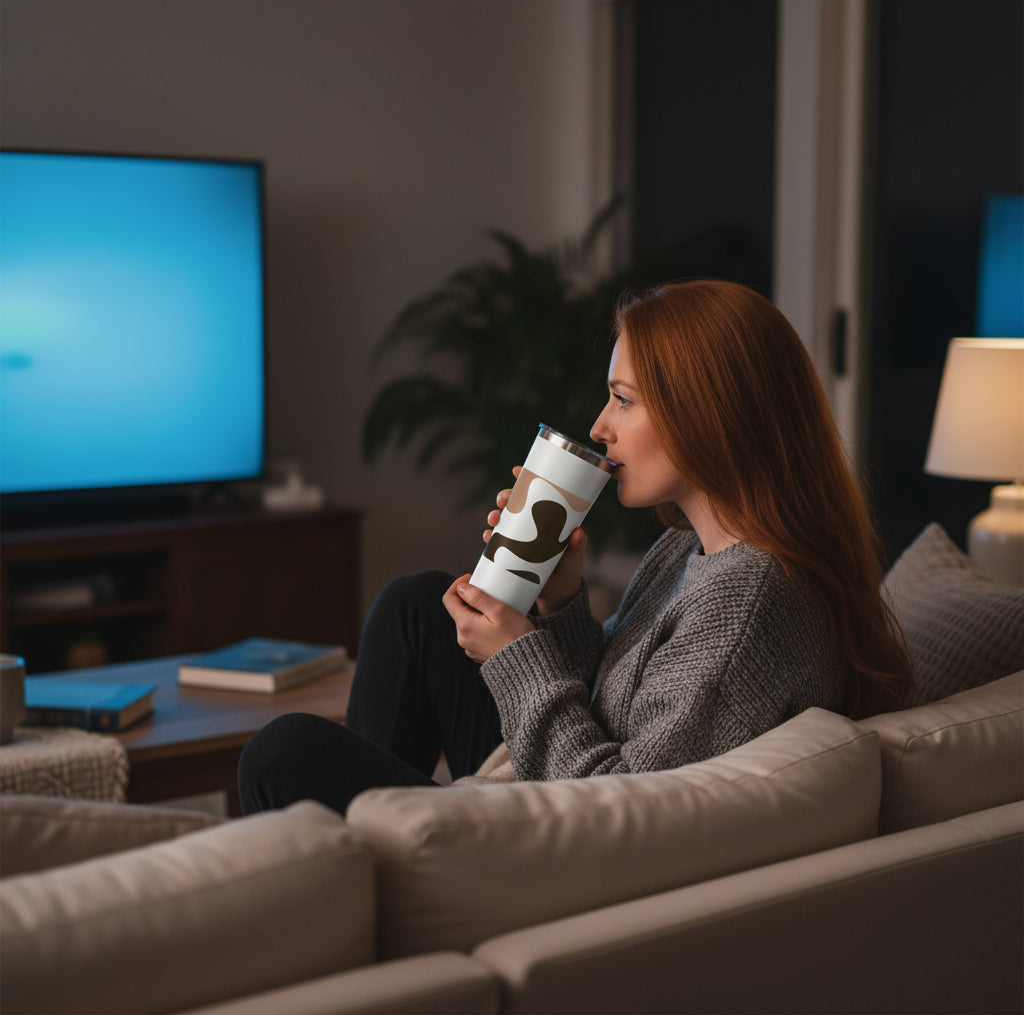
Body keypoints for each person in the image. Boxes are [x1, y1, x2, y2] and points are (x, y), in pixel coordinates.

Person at [238, 278, 914, 816]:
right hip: (558, 782)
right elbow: (610, 704)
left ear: (708, 412)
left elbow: (620, 804)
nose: (599, 426)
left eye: (623, 400)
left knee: (285, 752)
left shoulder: (749, 601)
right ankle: (378, 857)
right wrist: (560, 600)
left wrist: (515, 656)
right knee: (418, 606)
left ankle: (374, 869)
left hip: (566, 842)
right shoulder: (686, 550)